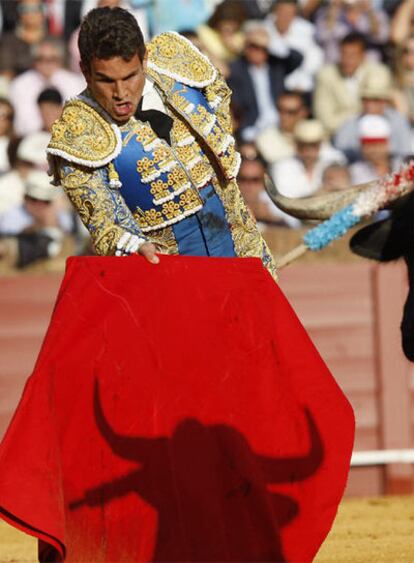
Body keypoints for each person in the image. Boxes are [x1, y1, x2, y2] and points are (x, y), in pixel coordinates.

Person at [47, 6, 277, 277]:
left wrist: (222, 177)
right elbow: (105, 224)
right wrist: (134, 245)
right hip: (168, 273)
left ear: (144, 60)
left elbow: (218, 93)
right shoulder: (78, 132)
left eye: (130, 76)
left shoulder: (174, 63)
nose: (121, 93)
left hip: (241, 247)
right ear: (85, 71)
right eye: (106, 81)